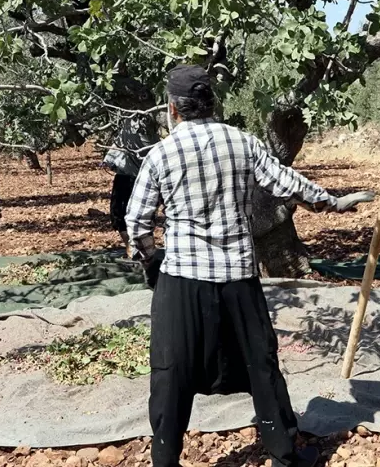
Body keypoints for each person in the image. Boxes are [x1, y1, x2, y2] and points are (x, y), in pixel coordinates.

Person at [126, 65, 347, 467]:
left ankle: (165, 459)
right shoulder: (242, 143)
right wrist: (328, 200)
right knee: (261, 365)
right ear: (213, 104)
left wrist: (150, 257)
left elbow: (137, 222)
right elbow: (286, 183)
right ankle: (284, 454)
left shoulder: (160, 154)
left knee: (171, 372)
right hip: (238, 277)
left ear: (173, 109)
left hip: (183, 282)